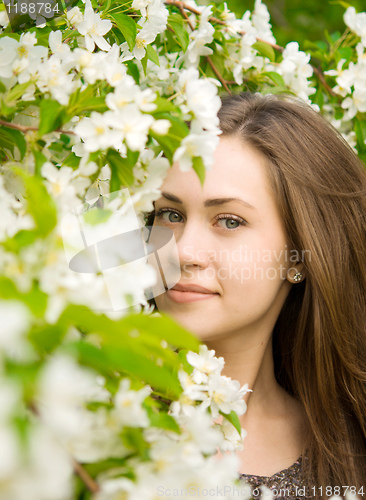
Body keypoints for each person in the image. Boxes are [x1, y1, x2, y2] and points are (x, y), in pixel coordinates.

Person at [144, 92, 366, 498]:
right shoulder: (90, 410)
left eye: (229, 221)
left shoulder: (352, 448)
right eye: (170, 215)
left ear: (299, 256)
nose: (183, 251)